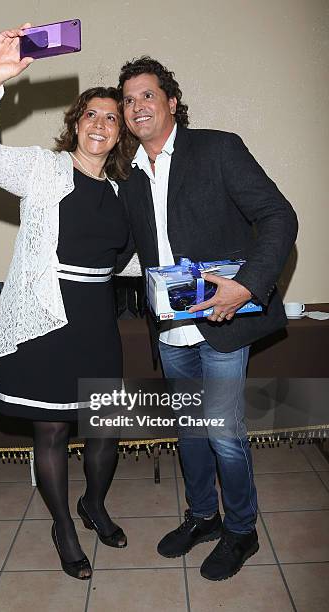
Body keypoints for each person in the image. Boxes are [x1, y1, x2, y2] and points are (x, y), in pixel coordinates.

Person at [117, 56, 298, 581]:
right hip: (170, 329)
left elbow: (279, 216)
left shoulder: (218, 149)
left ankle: (242, 530)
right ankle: (203, 517)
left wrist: (247, 285)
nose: (136, 107)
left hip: (221, 323)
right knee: (190, 432)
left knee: (223, 433)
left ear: (171, 102)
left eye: (147, 95)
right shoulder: (131, 179)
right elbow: (124, 250)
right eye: (129, 100)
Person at [0, 25, 133, 581]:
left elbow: (133, 257)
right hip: (44, 319)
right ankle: (64, 524)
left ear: (119, 134)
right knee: (54, 431)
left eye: (112, 117)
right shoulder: (42, 170)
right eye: (91, 114)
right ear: (76, 124)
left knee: (105, 427)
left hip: (96, 321)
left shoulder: (121, 194)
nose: (101, 124)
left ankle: (94, 504)